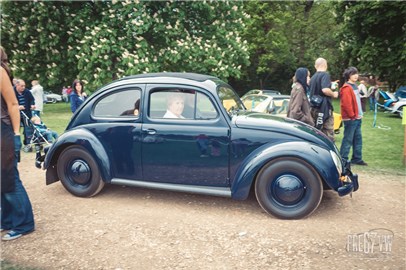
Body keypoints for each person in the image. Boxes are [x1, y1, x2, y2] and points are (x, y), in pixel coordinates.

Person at [1, 46, 35, 241]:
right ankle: (6, 220)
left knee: (9, 177)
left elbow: (13, 104)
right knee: (1, 179)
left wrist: (15, 134)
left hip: (3, 131)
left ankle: (24, 224)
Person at [339, 67, 367, 166]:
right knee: (348, 139)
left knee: (357, 139)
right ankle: (343, 160)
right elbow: (346, 104)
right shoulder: (346, 88)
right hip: (351, 119)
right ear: (348, 76)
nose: (356, 75)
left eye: (356, 73)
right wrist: (352, 116)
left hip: (357, 117)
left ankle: (357, 158)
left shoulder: (355, 86)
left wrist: (359, 114)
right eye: (353, 74)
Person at [309, 57, 339, 141]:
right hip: (324, 108)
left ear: (315, 66)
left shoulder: (313, 77)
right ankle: (328, 151)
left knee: (316, 131)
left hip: (313, 108)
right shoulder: (325, 75)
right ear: (325, 65)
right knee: (328, 132)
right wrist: (334, 94)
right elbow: (325, 90)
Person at [14, 79, 36, 152]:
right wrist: (17, 107)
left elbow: (32, 99)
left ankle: (27, 144)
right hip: (15, 115)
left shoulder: (27, 91)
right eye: (21, 86)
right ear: (17, 85)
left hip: (26, 114)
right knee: (16, 130)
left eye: (24, 86)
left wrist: (32, 105)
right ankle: (16, 145)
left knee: (28, 129)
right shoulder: (12, 92)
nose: (23, 87)